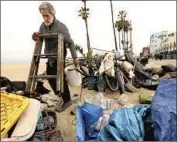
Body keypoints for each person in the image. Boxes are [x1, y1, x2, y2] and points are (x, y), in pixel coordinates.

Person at [32, 2, 78, 112]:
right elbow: (38, 38)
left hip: (60, 56)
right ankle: (61, 96)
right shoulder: (43, 26)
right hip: (50, 56)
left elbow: (70, 43)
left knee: (59, 77)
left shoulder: (61, 27)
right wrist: (34, 36)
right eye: (43, 16)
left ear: (53, 14)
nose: (45, 18)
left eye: (47, 15)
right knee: (50, 77)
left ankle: (67, 100)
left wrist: (75, 57)